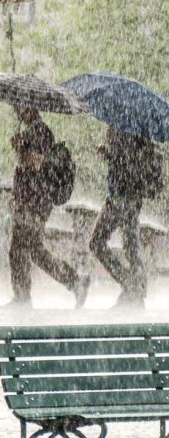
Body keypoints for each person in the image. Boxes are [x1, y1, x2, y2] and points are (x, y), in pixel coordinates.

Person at [0, 105, 89, 310]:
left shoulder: (39, 131)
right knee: (34, 251)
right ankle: (75, 282)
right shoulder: (33, 131)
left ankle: (23, 298)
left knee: (18, 248)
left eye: (17, 106)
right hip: (31, 201)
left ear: (28, 108)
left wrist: (20, 149)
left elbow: (37, 163)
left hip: (34, 202)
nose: (15, 111)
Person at [89, 127, 163, 309]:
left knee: (97, 242)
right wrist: (109, 152)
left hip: (120, 199)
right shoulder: (137, 131)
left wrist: (109, 152)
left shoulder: (125, 128)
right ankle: (136, 289)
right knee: (130, 246)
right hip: (130, 199)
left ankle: (131, 286)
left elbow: (125, 163)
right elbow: (128, 162)